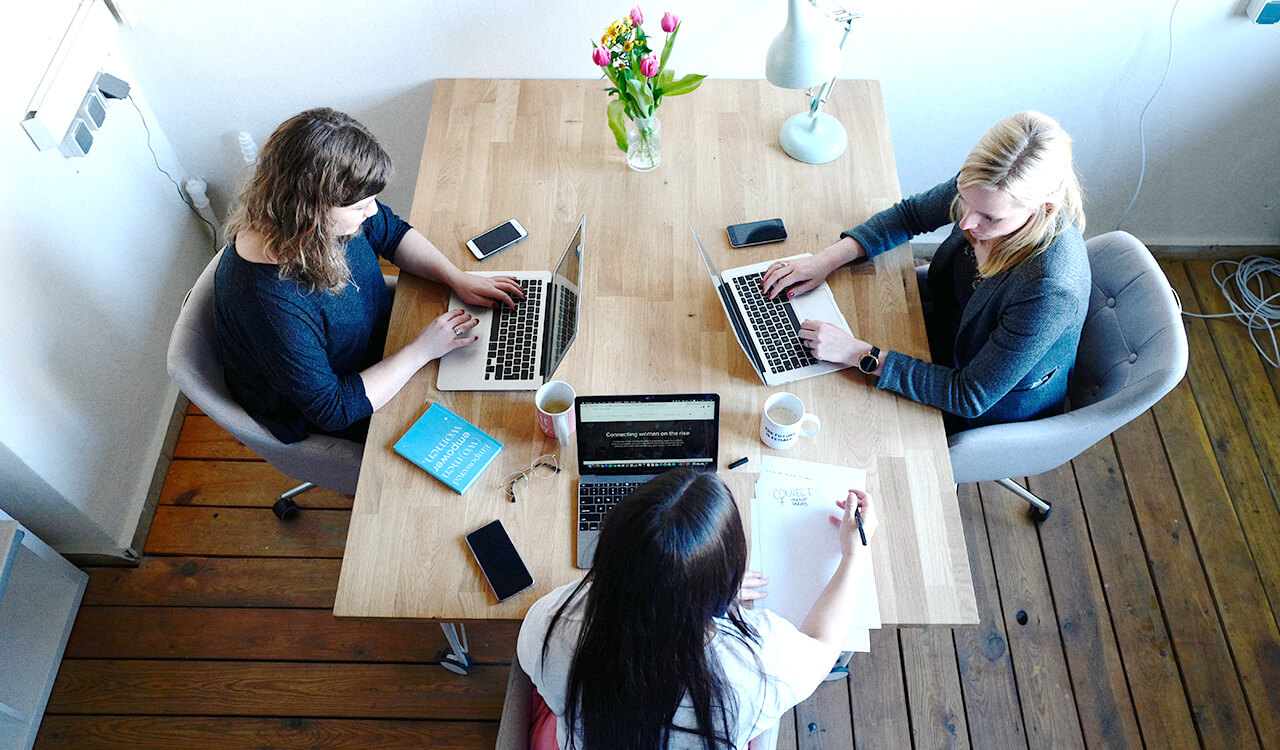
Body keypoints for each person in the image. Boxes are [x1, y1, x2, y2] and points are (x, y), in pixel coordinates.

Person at [762, 111, 1089, 432]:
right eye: (964, 200)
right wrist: (825, 260)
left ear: (1043, 208)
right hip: (945, 325)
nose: (966, 223)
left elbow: (969, 395)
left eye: (989, 218)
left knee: (848, 423)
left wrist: (855, 352)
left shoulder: (1049, 288)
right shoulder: (985, 187)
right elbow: (910, 216)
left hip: (983, 404)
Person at [214, 107, 525, 443]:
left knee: (497, 381)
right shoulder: (269, 304)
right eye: (360, 207)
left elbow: (392, 233)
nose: (372, 211)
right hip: (350, 400)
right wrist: (421, 351)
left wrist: (455, 277)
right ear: (311, 210)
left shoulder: (313, 224)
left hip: (387, 342)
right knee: (492, 421)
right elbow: (332, 409)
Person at [516, 468, 877, 750]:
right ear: (727, 583)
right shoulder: (759, 663)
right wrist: (853, 555)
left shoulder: (549, 621)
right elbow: (823, 646)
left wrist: (678, 587)